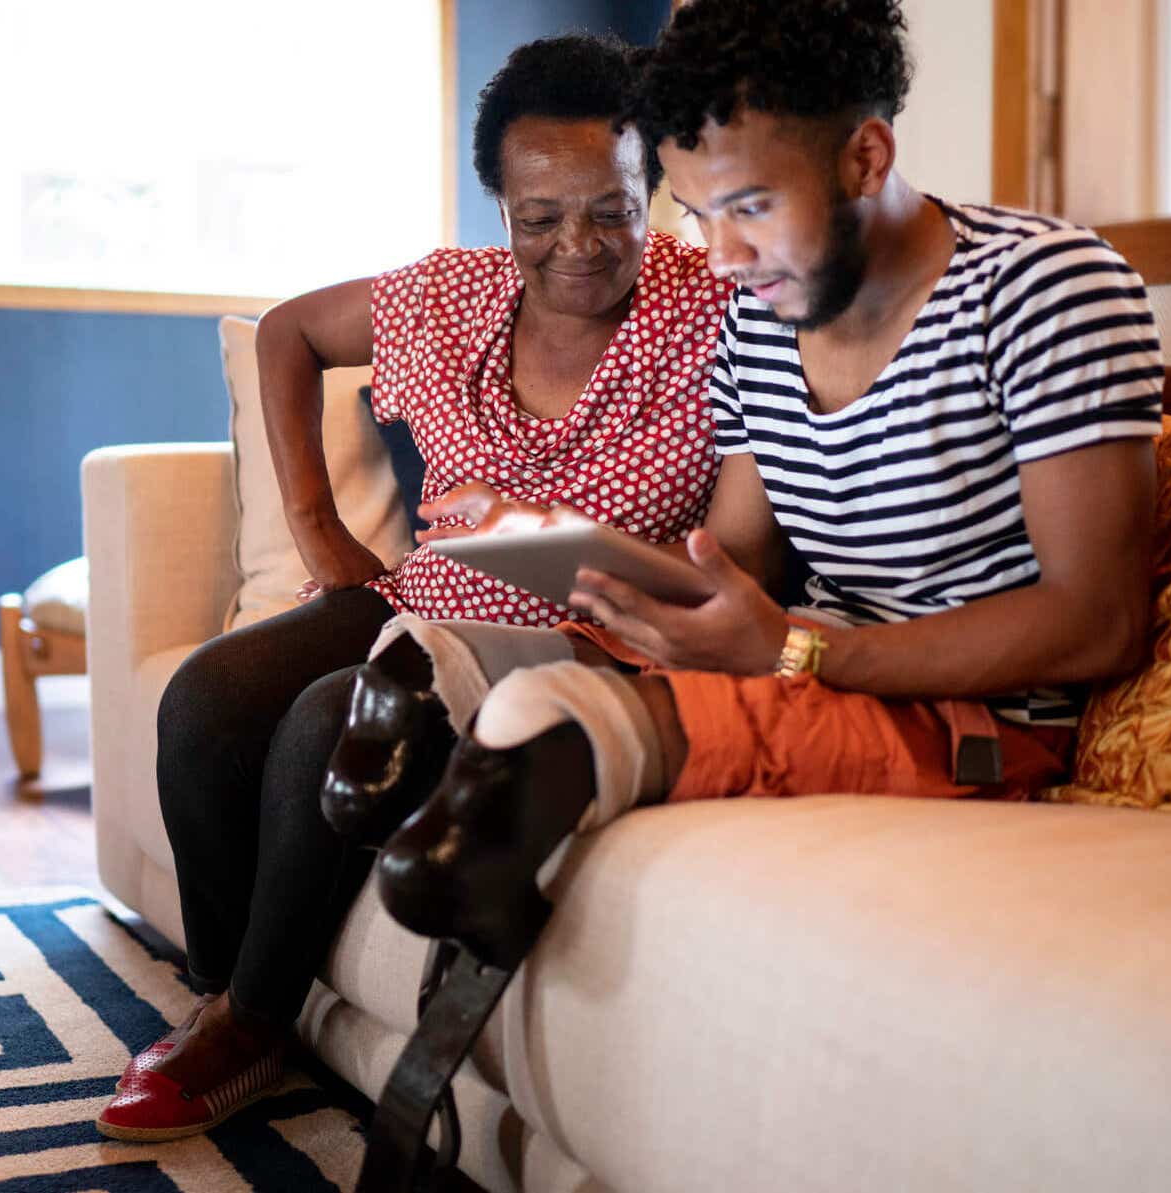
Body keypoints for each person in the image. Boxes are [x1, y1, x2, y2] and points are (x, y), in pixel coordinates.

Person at [370, 0, 1171, 997]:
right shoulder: (759, 325)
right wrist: (558, 545)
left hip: (972, 714)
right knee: (423, 660)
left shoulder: (1044, 288)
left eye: (747, 206)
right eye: (699, 215)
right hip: (813, 659)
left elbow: (1098, 623)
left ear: (865, 159)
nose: (719, 258)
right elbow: (737, 562)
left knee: (540, 722)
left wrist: (793, 649)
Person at [94, 33, 737, 1143]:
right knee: (202, 701)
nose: (576, 246)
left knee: (323, 723)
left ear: (655, 191)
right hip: (425, 592)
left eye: (612, 210)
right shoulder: (449, 298)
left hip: (582, 636)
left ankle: (245, 1025)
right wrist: (314, 523)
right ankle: (236, 990)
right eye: (538, 218)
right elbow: (289, 330)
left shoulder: (716, 311)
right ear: (498, 205)